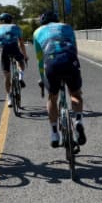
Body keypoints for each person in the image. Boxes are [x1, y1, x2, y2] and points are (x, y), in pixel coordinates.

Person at [33, 10, 86, 148]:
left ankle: (54, 133)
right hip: (69, 60)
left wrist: (42, 77)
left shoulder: (37, 32)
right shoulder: (67, 27)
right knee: (75, 94)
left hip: (51, 63)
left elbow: (40, 60)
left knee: (52, 98)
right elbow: (75, 49)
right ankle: (78, 121)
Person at [0, 13, 28, 107]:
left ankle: (9, 98)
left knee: (7, 76)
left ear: (1, 21)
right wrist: (25, 55)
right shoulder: (16, 27)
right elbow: (21, 43)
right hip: (14, 48)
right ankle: (20, 77)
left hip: (4, 50)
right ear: (11, 20)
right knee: (21, 62)